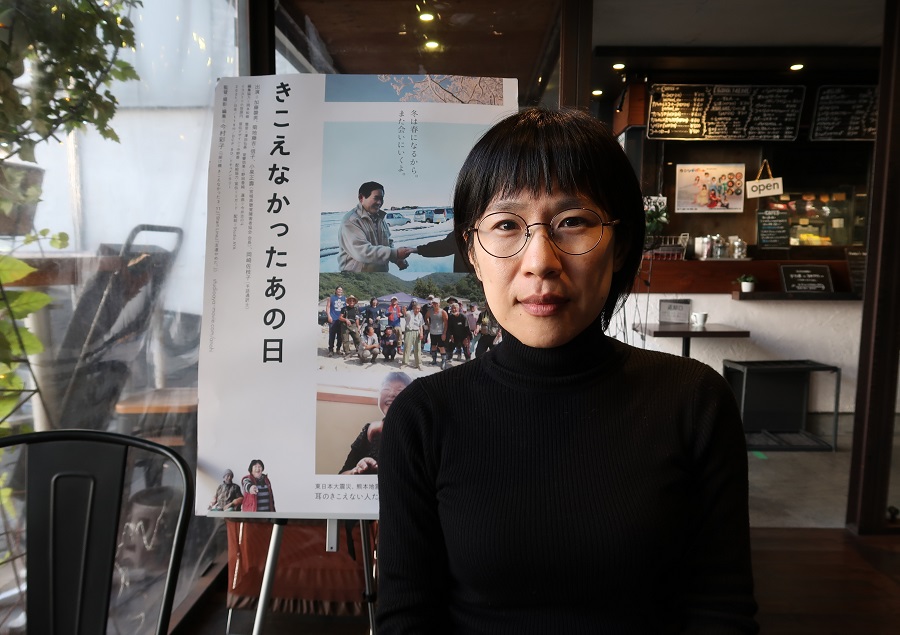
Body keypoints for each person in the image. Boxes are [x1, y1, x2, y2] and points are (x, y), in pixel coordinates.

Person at [377, 108, 758, 633]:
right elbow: (407, 618)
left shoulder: (694, 402)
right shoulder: (422, 417)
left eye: (573, 221)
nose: (540, 261)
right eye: (507, 225)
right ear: (473, 252)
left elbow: (722, 611)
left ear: (620, 244)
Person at [339, 371, 412, 475]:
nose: (392, 394)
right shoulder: (370, 430)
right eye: (386, 389)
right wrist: (355, 471)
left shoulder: (422, 431)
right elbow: (342, 474)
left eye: (400, 390)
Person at [337, 181, 414, 272]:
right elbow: (362, 252)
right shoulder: (351, 220)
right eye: (376, 198)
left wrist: (397, 259)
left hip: (380, 274)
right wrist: (395, 253)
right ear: (361, 198)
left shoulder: (380, 219)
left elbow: (388, 243)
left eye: (381, 199)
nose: (379, 202)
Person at [400, 301, 424, 370]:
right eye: (416, 308)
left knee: (418, 348)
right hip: (409, 331)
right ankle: (404, 363)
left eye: (419, 309)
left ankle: (418, 364)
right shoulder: (409, 313)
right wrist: (404, 310)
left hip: (417, 332)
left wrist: (421, 333)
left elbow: (421, 325)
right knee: (407, 348)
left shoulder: (420, 315)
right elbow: (405, 313)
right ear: (413, 308)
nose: (417, 310)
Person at [426, 298, 448, 368]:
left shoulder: (443, 312)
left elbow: (446, 323)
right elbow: (426, 317)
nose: (435, 305)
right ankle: (434, 360)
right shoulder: (430, 311)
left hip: (440, 332)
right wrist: (428, 325)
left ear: (439, 304)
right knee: (433, 346)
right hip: (432, 332)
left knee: (441, 347)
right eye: (434, 303)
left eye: (436, 303)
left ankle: (443, 361)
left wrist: (444, 333)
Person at [325, 286, 346, 357]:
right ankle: (331, 350)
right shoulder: (331, 298)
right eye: (338, 289)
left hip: (341, 320)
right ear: (336, 290)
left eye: (341, 290)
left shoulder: (344, 298)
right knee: (332, 335)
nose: (340, 291)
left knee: (340, 336)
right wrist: (329, 316)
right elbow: (328, 307)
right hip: (333, 319)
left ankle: (338, 349)